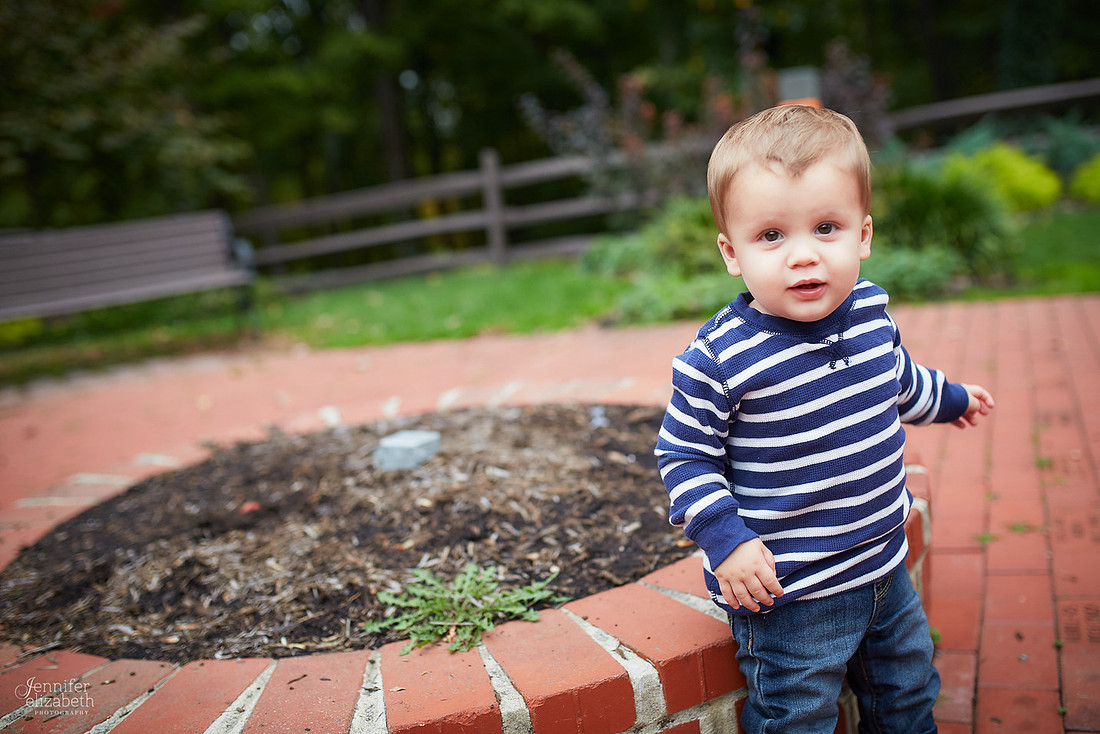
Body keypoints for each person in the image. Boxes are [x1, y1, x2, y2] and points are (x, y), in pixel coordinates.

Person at [654, 104, 995, 733]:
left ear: (863, 235)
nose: (803, 256)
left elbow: (897, 383)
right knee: (797, 718)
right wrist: (726, 540)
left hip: (884, 570)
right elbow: (684, 455)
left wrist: (952, 399)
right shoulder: (721, 357)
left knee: (908, 696)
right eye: (772, 236)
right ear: (732, 253)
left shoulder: (869, 312)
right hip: (790, 597)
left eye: (826, 228)